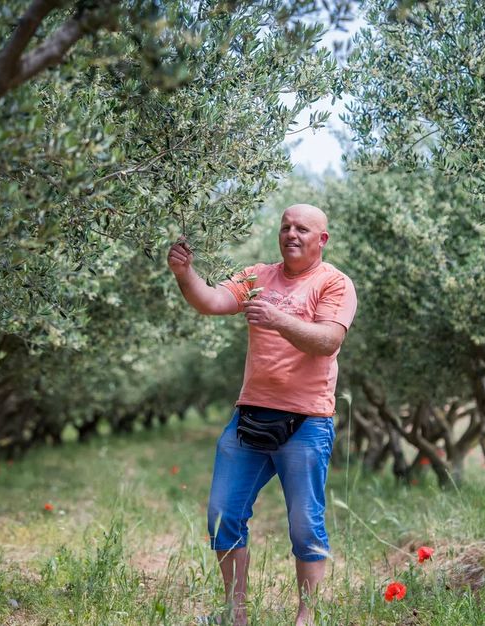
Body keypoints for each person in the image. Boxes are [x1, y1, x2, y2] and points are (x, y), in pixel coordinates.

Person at [167, 203, 357, 626]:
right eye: (285, 226)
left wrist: (277, 319)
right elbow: (212, 301)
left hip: (306, 423)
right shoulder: (257, 276)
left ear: (321, 239)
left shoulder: (334, 284)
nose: (291, 234)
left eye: (302, 229)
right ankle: (237, 615)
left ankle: (306, 617)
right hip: (249, 418)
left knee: (305, 525)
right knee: (222, 516)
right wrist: (185, 275)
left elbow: (327, 340)